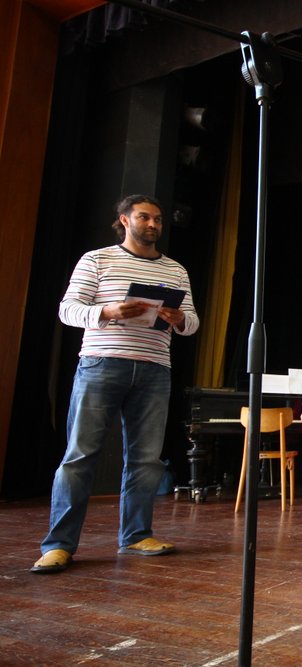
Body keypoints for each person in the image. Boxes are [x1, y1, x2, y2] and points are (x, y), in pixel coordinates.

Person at [32, 194, 200, 574]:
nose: (153, 224)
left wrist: (178, 319)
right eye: (145, 217)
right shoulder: (96, 260)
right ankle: (58, 545)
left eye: (158, 219)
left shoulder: (176, 270)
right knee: (80, 456)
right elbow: (67, 309)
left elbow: (192, 323)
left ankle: (136, 535)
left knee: (146, 459)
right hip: (101, 364)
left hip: (155, 369)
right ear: (125, 220)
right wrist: (107, 311)